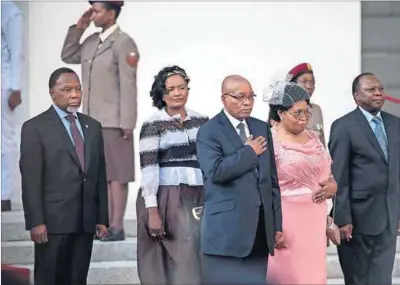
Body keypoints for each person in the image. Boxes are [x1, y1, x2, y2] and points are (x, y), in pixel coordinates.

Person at [20, 67, 109, 285]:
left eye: (78, 89)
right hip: (52, 224)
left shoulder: (93, 127)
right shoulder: (35, 128)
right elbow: (31, 180)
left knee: (78, 280)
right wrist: (36, 221)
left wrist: (101, 218)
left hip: (85, 222)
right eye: (67, 89)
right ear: (52, 93)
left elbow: (99, 174)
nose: (75, 95)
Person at [61, 0, 138, 241]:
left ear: (112, 13)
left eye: (98, 10)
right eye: (92, 9)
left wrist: (127, 121)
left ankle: (117, 226)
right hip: (91, 120)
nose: (93, 14)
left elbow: (128, 84)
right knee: (99, 175)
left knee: (118, 174)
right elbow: (68, 55)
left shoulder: (124, 42)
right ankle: (104, 225)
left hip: (115, 120)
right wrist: (79, 27)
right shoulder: (92, 42)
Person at [196, 75, 285, 285]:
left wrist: (276, 224)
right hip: (226, 233)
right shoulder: (208, 131)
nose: (247, 102)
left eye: (251, 97)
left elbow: (271, 180)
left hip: (259, 231)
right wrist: (249, 152)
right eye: (240, 97)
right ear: (224, 99)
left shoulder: (261, 128)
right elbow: (216, 172)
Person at [328, 72, 400, 285]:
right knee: (358, 280)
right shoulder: (343, 126)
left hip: (388, 218)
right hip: (357, 221)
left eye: (380, 89)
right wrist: (342, 217)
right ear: (356, 96)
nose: (378, 93)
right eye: (371, 90)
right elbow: (339, 175)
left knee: (382, 279)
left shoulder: (394, 123)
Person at [136, 66, 208, 285]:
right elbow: (148, 168)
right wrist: (153, 211)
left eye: (182, 87)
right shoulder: (152, 124)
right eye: (171, 89)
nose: (177, 93)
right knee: (172, 261)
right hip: (166, 196)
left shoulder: (203, 120)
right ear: (162, 93)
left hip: (198, 195)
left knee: (198, 258)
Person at [264, 81, 338, 285]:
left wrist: (334, 186)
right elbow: (261, 184)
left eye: (307, 112)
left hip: (314, 220)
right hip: (285, 222)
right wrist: (271, 226)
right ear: (280, 113)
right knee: (289, 277)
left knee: (313, 277)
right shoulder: (269, 140)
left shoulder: (313, 136)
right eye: (298, 113)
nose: (304, 118)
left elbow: (326, 171)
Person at [1, 0, 24, 212]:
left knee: (4, 138)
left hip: (4, 82)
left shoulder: (9, 11)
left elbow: (16, 51)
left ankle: (4, 194)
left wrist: (16, 87)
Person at [286, 63, 326, 146]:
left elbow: (321, 142)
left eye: (312, 82)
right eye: (304, 81)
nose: (309, 86)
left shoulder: (316, 110)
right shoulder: (283, 110)